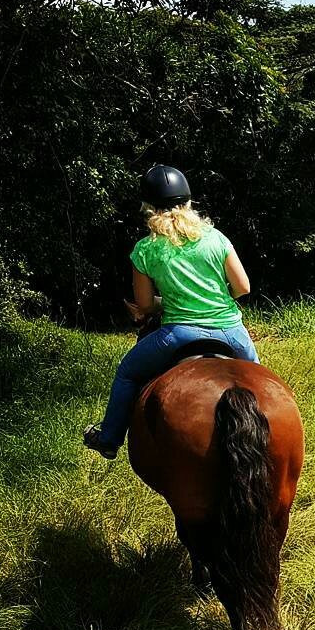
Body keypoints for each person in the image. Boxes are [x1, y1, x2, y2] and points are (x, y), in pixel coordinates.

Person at [83, 165, 260, 459]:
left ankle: (109, 438)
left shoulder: (145, 250)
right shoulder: (216, 238)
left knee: (127, 372)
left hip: (178, 334)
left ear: (149, 208)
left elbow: (146, 306)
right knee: (259, 381)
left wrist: (164, 303)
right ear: (189, 203)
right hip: (231, 331)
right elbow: (243, 287)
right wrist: (212, 296)